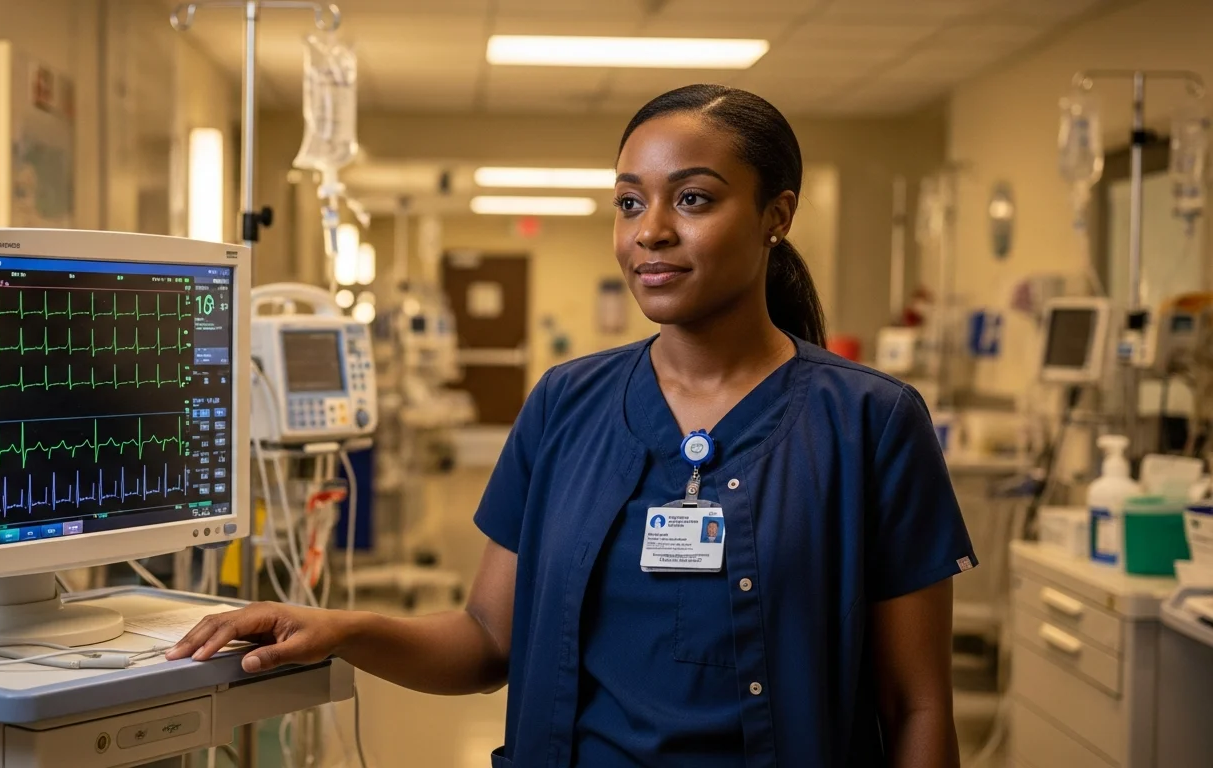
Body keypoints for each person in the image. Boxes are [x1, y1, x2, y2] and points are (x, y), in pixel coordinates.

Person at [167, 84, 975, 767]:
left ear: (777, 216)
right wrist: (340, 628)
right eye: (629, 203)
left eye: (692, 199)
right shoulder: (567, 404)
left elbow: (917, 706)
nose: (650, 230)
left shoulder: (868, 422)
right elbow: (487, 640)